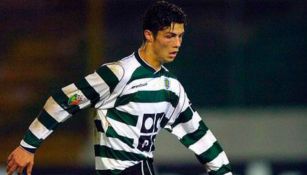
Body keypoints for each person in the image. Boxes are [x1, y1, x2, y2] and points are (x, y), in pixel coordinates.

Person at [7, 1, 232, 175]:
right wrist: (28, 146)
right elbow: (65, 101)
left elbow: (198, 135)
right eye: (170, 36)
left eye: (181, 36)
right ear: (149, 35)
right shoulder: (118, 75)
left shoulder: (171, 87)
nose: (177, 43)